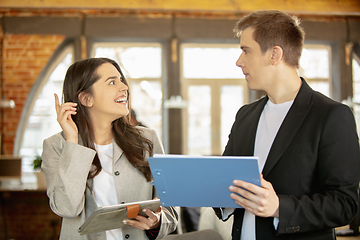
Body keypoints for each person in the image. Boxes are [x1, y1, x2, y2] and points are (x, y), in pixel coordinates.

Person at [214, 10, 360, 240]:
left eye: (245, 50)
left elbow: (345, 204)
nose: (238, 61)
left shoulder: (332, 116)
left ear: (275, 54)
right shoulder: (245, 116)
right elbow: (226, 182)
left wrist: (279, 207)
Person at [41, 57, 178, 240]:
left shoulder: (147, 140)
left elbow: (171, 208)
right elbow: (67, 208)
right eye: (112, 82)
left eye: (121, 80)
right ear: (86, 99)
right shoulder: (56, 146)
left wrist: (157, 221)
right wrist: (72, 141)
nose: (124, 87)